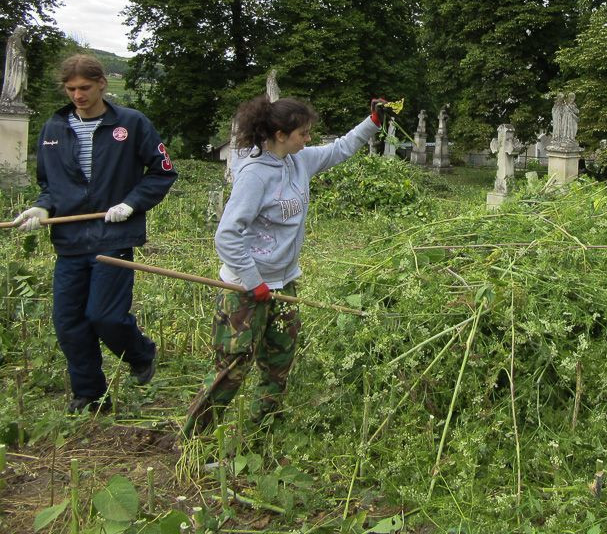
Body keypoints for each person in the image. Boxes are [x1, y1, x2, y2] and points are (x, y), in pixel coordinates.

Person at [183, 95, 389, 434]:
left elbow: (340, 149)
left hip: (283, 284)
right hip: (244, 291)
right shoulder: (254, 176)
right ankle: (193, 439)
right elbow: (227, 236)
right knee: (232, 368)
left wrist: (373, 122)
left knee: (277, 365)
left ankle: (259, 435)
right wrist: (253, 281)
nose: (308, 139)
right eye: (303, 134)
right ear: (280, 134)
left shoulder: (298, 161)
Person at [14, 54, 177, 413]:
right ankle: (90, 395)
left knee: (104, 315)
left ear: (102, 84)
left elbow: (162, 171)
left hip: (113, 237)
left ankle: (140, 352)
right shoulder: (53, 130)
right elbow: (49, 184)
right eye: (71, 89)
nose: (78, 95)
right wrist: (42, 208)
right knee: (69, 322)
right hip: (70, 240)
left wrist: (133, 203)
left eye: (84, 87)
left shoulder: (131, 124)